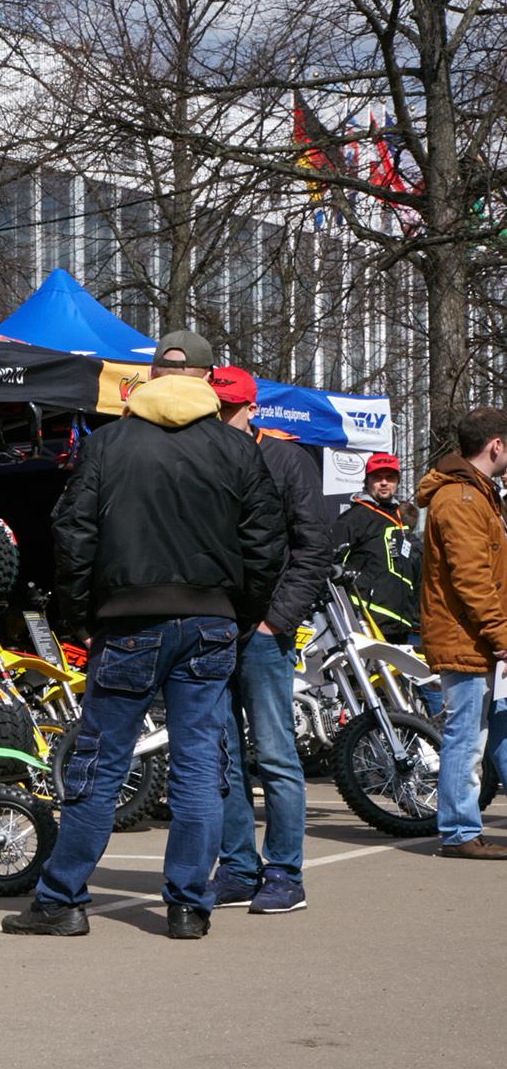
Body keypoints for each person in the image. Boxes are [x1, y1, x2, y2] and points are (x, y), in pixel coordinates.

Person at [5, 327, 285, 940]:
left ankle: (61, 899)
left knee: (101, 764)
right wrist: (237, 614)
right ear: (209, 381)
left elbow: (72, 534)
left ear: (154, 376)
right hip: (209, 620)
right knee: (199, 767)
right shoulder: (237, 449)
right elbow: (267, 544)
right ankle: (188, 904)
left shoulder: (110, 444)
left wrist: (79, 613)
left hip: (128, 619)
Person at [204, 367, 328, 915]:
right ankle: (237, 867)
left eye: (228, 408)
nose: (220, 417)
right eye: (214, 406)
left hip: (262, 631)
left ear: (251, 408)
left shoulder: (285, 459)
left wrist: (276, 621)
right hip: (212, 626)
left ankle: (284, 871)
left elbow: (313, 548)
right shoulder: (205, 455)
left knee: (274, 752)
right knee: (222, 755)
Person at [415, 407, 507, 859]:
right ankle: (458, 832)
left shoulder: (480, 494)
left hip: (481, 640)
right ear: (496, 445)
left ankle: (460, 829)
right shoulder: (462, 500)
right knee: (467, 738)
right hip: (468, 641)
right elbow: (473, 580)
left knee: (498, 734)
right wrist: (502, 636)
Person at [334, 452, 422, 641]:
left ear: (397, 481)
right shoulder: (355, 517)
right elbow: (329, 564)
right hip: (366, 623)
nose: (384, 483)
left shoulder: (399, 517)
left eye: (389, 477)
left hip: (400, 625)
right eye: (377, 477)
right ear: (367, 481)